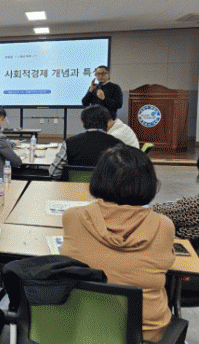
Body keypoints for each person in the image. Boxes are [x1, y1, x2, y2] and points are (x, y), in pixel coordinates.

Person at [60, 144, 175, 342]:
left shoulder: (73, 217)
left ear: (98, 178)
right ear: (149, 182)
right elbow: (167, 263)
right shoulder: (163, 225)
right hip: (143, 334)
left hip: (83, 326)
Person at [49, 105, 123, 179]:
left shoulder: (69, 143)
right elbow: (122, 175)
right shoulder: (118, 144)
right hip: (104, 186)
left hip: (74, 186)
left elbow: (53, 173)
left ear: (83, 123)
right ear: (107, 123)